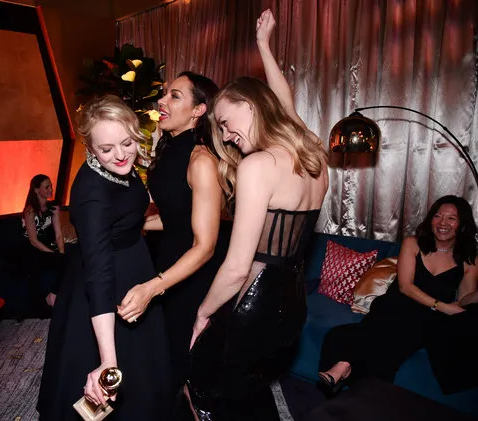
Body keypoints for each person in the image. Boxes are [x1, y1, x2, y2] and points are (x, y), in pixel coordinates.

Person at [186, 10, 329, 420]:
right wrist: (264, 46)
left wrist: (203, 314)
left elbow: (236, 269)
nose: (228, 137)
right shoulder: (314, 154)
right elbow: (284, 102)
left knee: (206, 388)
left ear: (250, 106)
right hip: (293, 304)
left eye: (227, 123)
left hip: (253, 302)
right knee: (250, 388)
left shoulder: (258, 167)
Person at [36, 95, 171, 421]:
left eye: (127, 143)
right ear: (90, 148)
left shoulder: (124, 164)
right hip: (104, 282)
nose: (121, 155)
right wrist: (108, 362)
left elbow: (131, 216)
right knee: (115, 373)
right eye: (107, 149)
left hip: (134, 263)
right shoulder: (90, 195)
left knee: (148, 369)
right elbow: (99, 275)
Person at [116, 71, 232, 403]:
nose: (162, 101)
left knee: (183, 367)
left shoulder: (202, 160)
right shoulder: (169, 151)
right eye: (165, 94)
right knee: (160, 358)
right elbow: (177, 218)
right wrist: (126, 227)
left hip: (194, 275)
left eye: (175, 96)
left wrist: (153, 287)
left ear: (199, 110)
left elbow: (205, 245)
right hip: (170, 261)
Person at [317, 195, 478, 395]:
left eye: (451, 218)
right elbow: (405, 287)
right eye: (437, 216)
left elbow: (465, 298)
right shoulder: (413, 243)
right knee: (376, 331)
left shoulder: (469, 258)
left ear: (462, 224)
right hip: (396, 303)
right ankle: (352, 376)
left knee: (380, 344)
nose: (443, 223)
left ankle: (344, 366)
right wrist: (442, 306)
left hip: (425, 318)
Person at [20, 174, 65, 310]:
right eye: (47, 187)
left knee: (67, 259)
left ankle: (53, 294)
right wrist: (53, 254)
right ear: (36, 190)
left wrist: (61, 253)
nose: (51, 189)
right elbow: (33, 240)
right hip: (32, 248)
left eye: (51, 186)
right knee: (52, 261)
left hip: (48, 245)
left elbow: (58, 234)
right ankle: (49, 298)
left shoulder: (54, 208)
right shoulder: (30, 210)